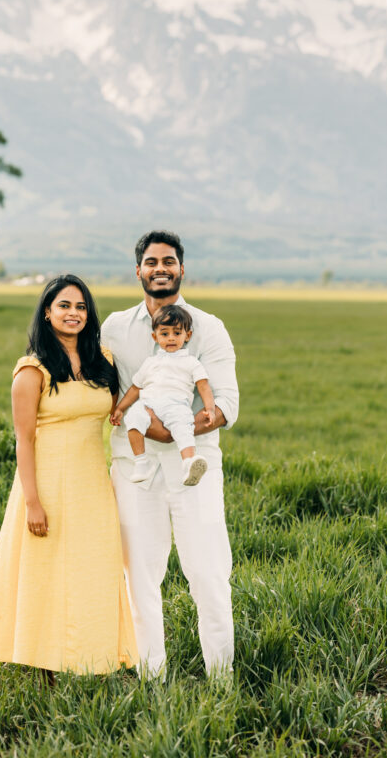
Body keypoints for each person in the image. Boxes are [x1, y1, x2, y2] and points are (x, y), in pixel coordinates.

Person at [0, 274, 137, 675]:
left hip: (93, 483)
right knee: (46, 573)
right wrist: (32, 503)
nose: (73, 313)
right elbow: (23, 440)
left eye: (81, 307)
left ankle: (92, 658)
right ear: (47, 313)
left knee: (92, 567)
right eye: (64, 305)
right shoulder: (32, 369)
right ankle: (46, 666)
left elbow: (120, 408)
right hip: (46, 483)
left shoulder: (104, 361)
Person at [101, 231, 239, 678]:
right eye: (152, 262)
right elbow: (104, 391)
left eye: (169, 261)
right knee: (140, 577)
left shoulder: (209, 327)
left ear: (182, 270)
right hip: (133, 469)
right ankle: (151, 679)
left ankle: (221, 681)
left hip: (192, 465)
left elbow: (226, 404)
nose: (160, 268)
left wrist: (173, 431)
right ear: (138, 271)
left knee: (208, 574)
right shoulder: (115, 328)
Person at [110, 304, 215, 486]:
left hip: (176, 404)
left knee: (183, 425)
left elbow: (203, 386)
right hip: (148, 404)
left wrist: (210, 409)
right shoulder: (150, 363)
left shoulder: (191, 362)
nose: (171, 338)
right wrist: (120, 408)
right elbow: (136, 388)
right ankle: (141, 462)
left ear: (187, 335)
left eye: (177, 333)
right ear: (155, 337)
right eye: (165, 334)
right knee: (133, 419)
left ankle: (189, 462)